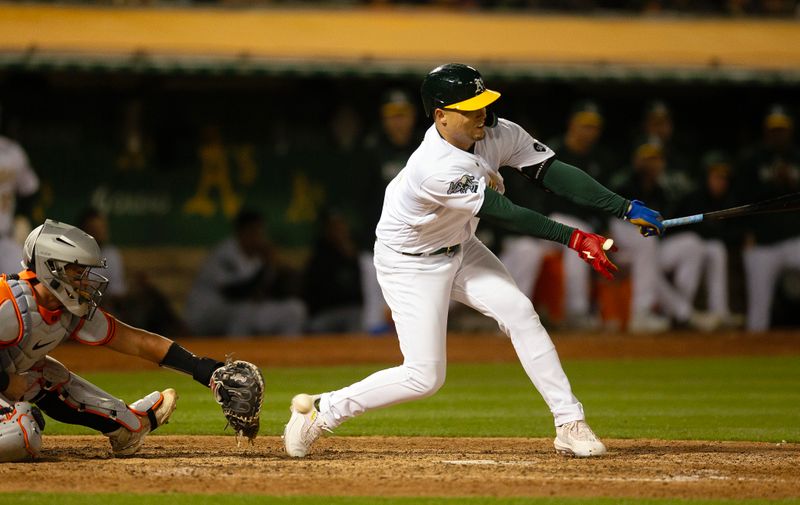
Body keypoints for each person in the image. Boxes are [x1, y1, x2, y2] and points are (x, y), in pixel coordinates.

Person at [282, 63, 665, 459]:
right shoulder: (434, 166)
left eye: (483, 102)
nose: (482, 112)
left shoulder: (495, 130)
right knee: (424, 377)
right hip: (411, 264)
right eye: (470, 107)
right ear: (441, 116)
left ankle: (569, 422)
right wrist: (574, 237)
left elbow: (551, 172)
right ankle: (323, 411)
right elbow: (506, 212)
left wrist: (623, 206)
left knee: (520, 313)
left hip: (460, 245)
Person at [0, 219, 232, 461]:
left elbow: (137, 341)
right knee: (22, 434)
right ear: (52, 268)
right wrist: (6, 381)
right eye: (78, 272)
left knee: (48, 375)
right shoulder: (9, 300)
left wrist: (207, 371)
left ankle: (129, 426)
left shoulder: (67, 310)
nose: (85, 281)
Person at [499, 100, 617, 328]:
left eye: (594, 126)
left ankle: (579, 311)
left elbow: (600, 199)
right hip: (540, 225)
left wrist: (603, 223)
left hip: (547, 228)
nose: (589, 131)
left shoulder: (601, 158)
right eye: (585, 125)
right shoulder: (551, 154)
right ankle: (573, 310)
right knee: (573, 235)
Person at [359, 88, 423, 334]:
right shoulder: (371, 150)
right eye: (392, 115)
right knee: (374, 319)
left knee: (412, 319)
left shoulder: (424, 147)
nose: (398, 121)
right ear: (383, 118)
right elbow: (362, 200)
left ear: (413, 115)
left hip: (415, 246)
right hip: (375, 245)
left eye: (403, 114)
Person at [184, 209, 307, 337]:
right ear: (242, 232)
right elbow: (234, 292)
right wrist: (266, 266)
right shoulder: (224, 253)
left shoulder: (257, 258)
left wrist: (279, 268)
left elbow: (273, 291)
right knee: (243, 311)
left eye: (260, 232)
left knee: (295, 309)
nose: (259, 237)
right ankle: (236, 355)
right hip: (207, 313)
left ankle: (286, 356)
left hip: (244, 311)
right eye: (254, 231)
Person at [736, 104, 800, 331]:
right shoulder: (753, 160)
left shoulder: (796, 157)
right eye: (774, 130)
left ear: (790, 130)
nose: (778, 134)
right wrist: (745, 233)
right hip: (762, 241)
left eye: (781, 130)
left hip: (794, 239)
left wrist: (791, 182)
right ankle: (755, 348)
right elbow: (740, 200)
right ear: (766, 132)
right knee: (758, 312)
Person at [302, 210, 363, 333]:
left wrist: (349, 258)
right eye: (334, 227)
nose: (339, 230)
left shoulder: (353, 254)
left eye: (341, 226)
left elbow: (357, 295)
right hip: (324, 313)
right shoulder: (319, 254)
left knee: (356, 316)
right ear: (327, 230)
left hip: (350, 311)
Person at [0, 133, 39, 276]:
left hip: (5, 237)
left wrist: (22, 216)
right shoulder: (11, 151)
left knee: (21, 285)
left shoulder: (12, 151)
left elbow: (30, 189)